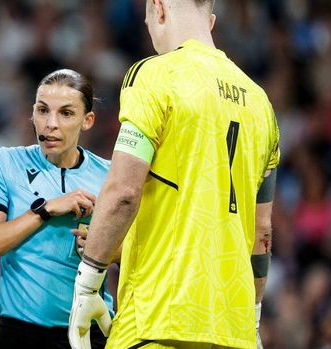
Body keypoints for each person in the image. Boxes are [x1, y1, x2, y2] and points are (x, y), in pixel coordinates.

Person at [67, 1, 280, 349]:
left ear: (159, 9)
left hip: (157, 321)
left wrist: (89, 282)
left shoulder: (153, 75)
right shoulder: (261, 104)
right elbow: (262, 232)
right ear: (209, 22)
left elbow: (123, 191)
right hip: (235, 331)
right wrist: (253, 318)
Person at [0, 69, 117, 349]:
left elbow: (139, 253)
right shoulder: (6, 164)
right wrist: (44, 210)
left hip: (90, 334)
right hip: (20, 336)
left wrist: (106, 247)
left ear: (88, 121)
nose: (51, 124)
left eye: (66, 113)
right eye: (43, 110)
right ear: (31, 114)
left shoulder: (110, 176)